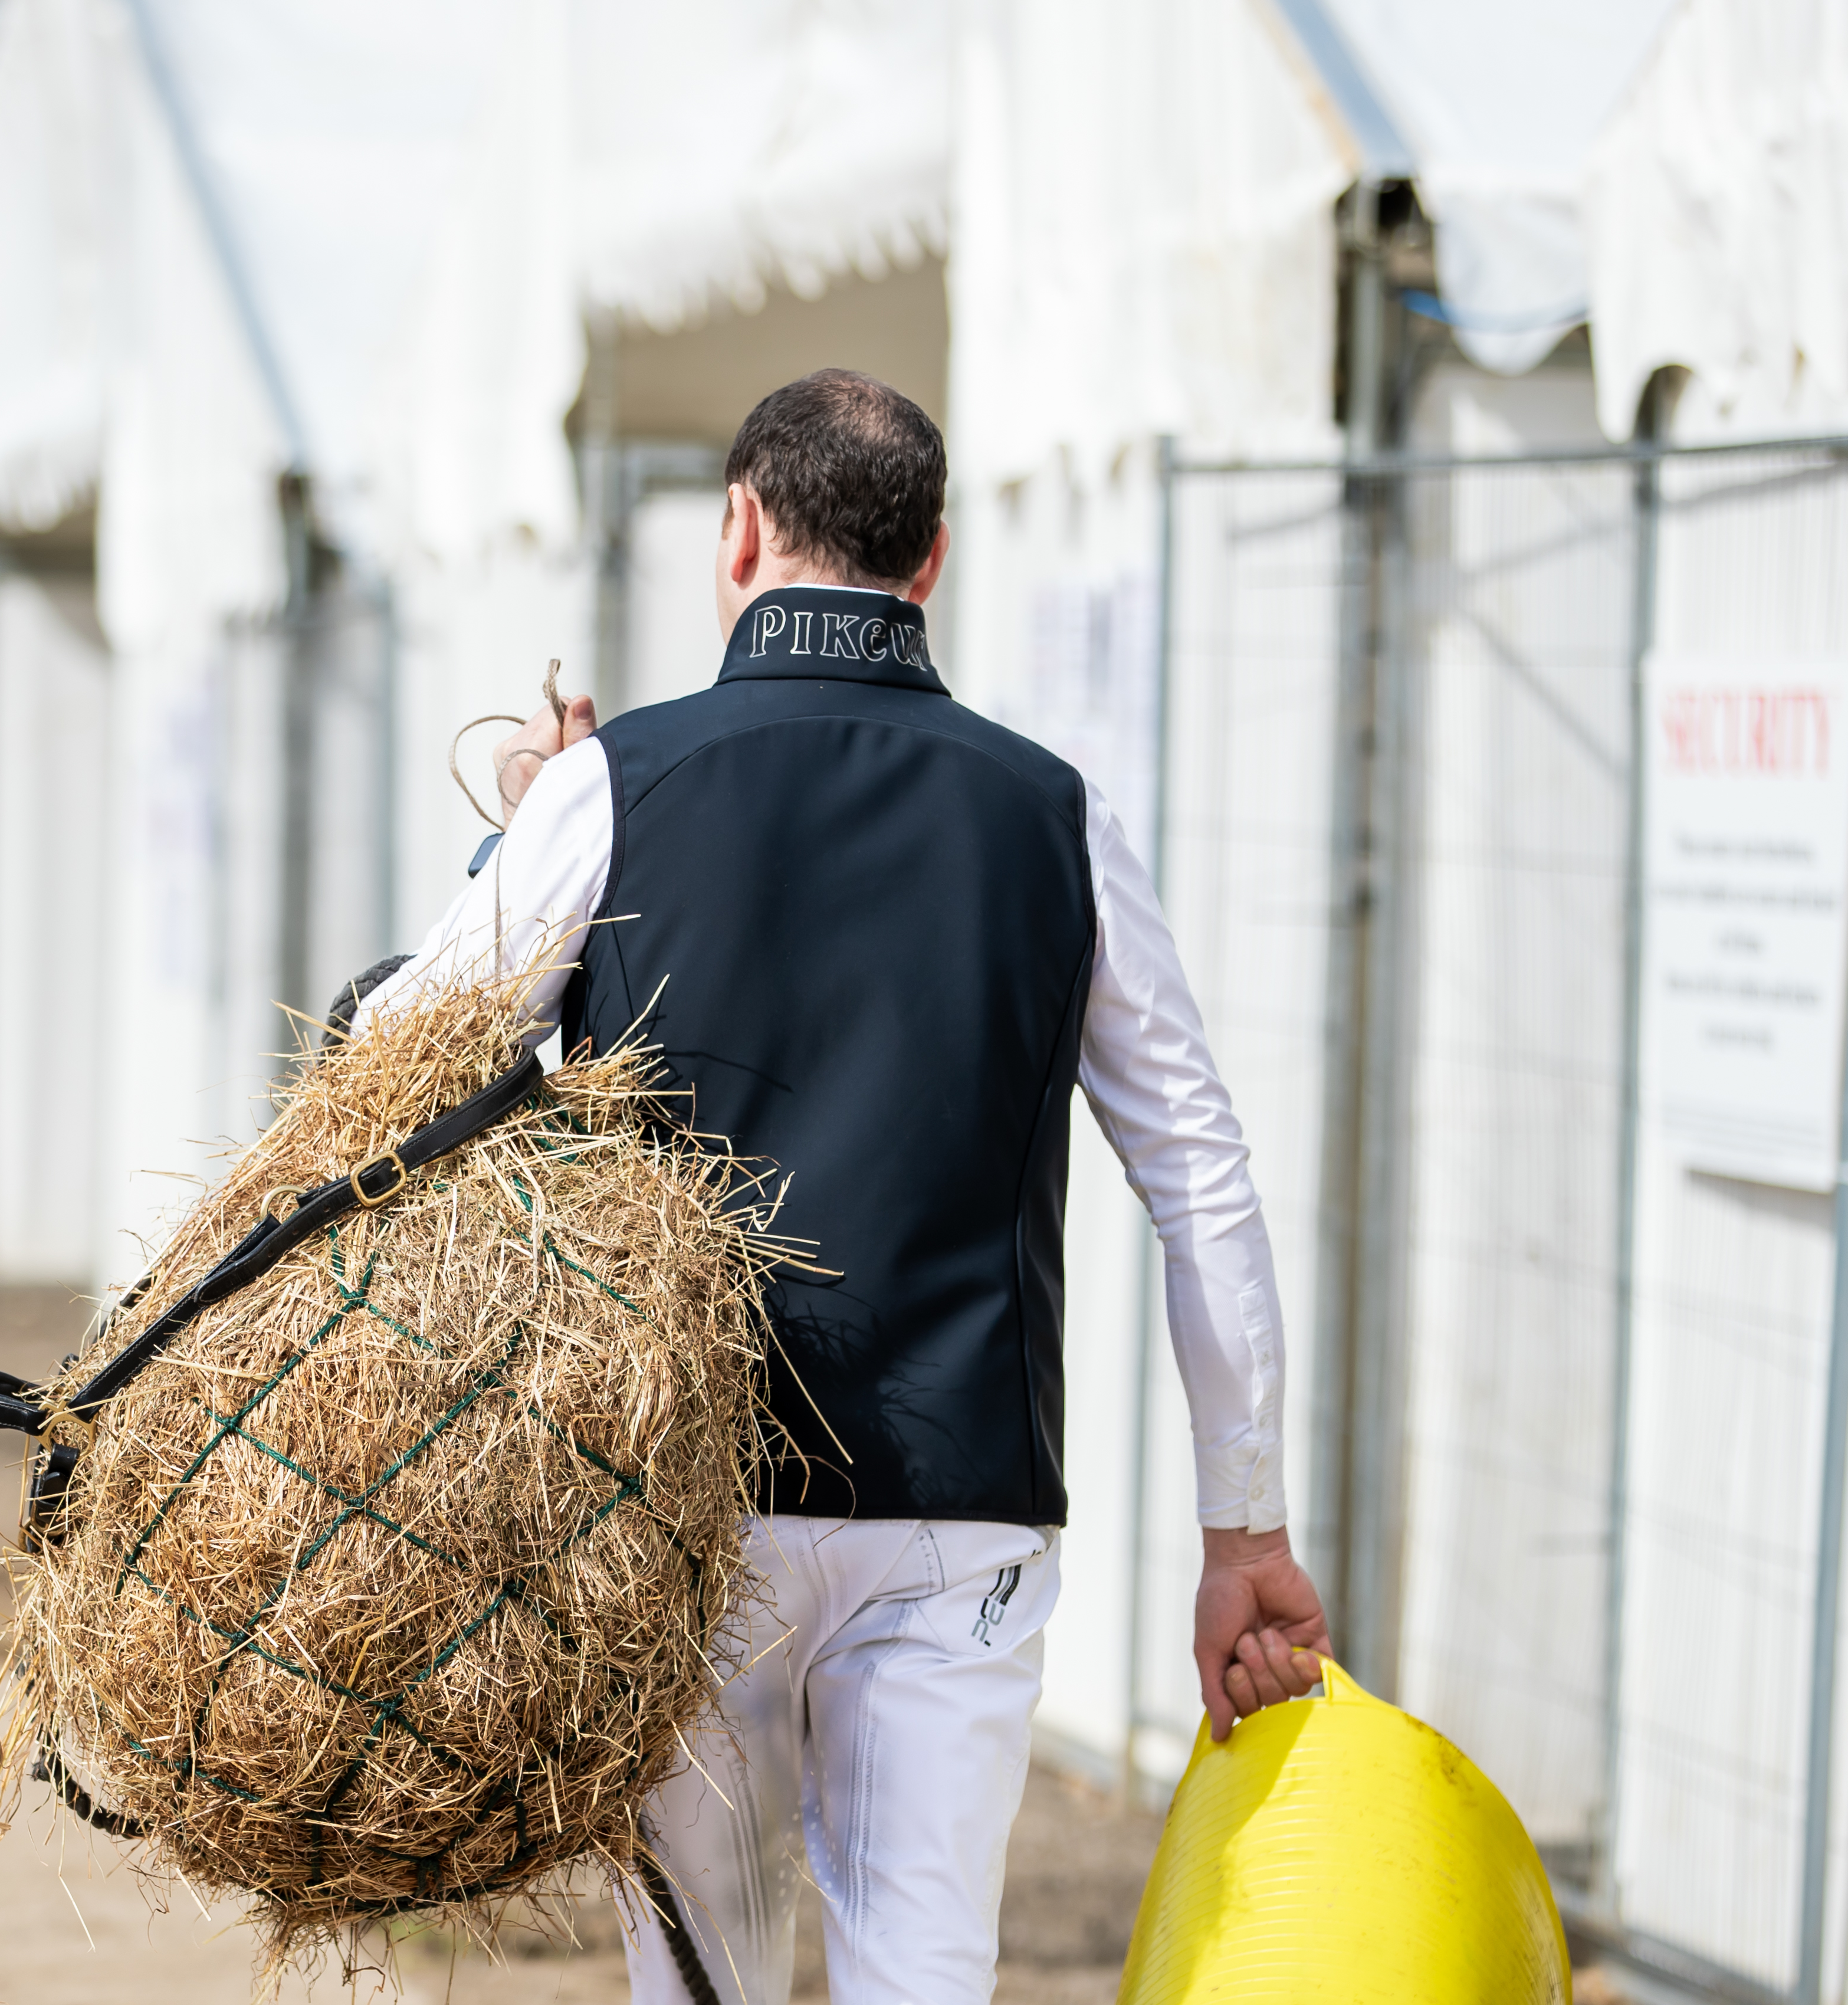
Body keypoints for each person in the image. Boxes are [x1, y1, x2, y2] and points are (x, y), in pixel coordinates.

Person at [359, 370, 1328, 2005]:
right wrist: (1245, 1530)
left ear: (737, 527)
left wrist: (514, 845)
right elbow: (1199, 1180)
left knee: (709, 1983)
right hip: (963, 1497)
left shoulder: (619, 786)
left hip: (683, 1496)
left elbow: (394, 1058)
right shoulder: (1053, 811)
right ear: (931, 560)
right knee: (924, 1974)